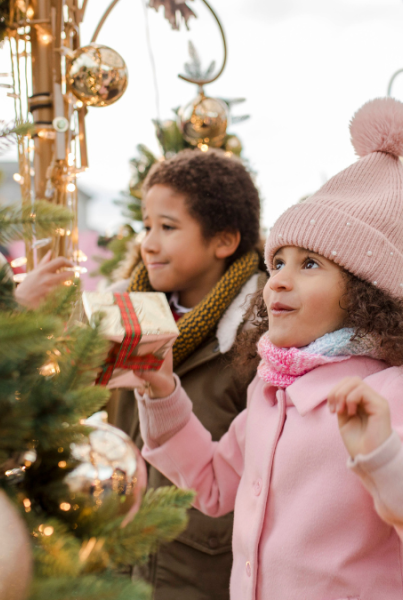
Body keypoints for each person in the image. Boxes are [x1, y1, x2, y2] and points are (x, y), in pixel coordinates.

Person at [134, 98, 403, 599]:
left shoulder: (394, 392)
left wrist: (386, 460)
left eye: (309, 264)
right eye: (279, 263)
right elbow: (213, 484)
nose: (278, 283)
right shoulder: (273, 389)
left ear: (362, 291)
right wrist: (162, 391)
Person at [107, 148, 265, 600]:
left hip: (204, 571)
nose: (149, 243)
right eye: (147, 226)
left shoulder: (256, 337)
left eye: (168, 228)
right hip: (123, 557)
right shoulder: (123, 318)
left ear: (223, 241)